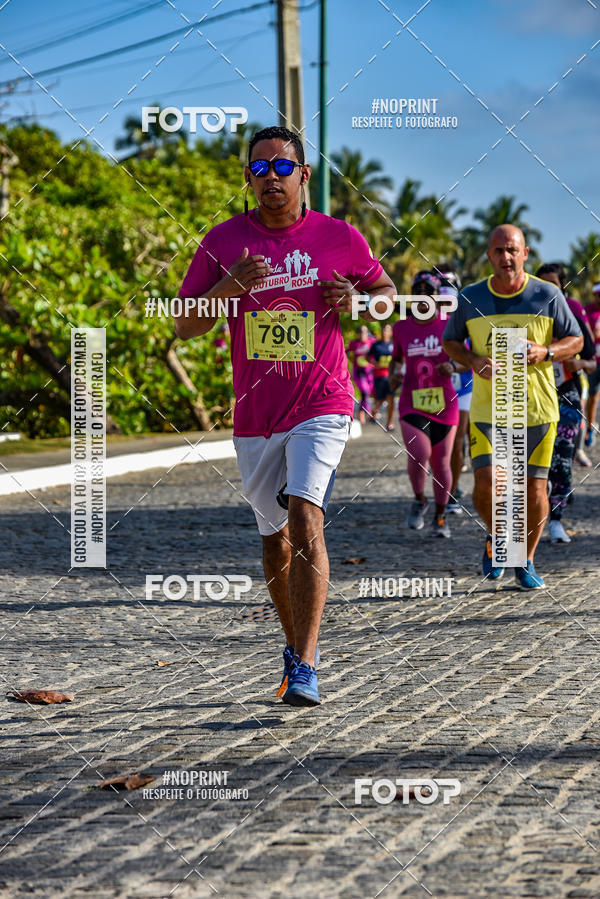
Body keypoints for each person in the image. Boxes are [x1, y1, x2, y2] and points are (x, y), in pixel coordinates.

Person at [175, 125, 396, 706]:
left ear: (303, 175)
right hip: (256, 414)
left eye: (282, 168)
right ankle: (293, 646)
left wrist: (361, 302)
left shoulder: (338, 237)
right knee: (273, 539)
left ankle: (307, 663)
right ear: (248, 179)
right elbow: (185, 323)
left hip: (323, 401)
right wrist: (225, 288)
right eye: (259, 169)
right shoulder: (223, 242)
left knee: (305, 517)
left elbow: (387, 295)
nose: (270, 178)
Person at [442, 225, 583, 589]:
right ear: (488, 256)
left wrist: (547, 352)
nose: (506, 257)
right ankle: (498, 538)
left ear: (525, 253)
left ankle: (527, 558)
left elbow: (577, 339)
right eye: (499, 251)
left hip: (536, 409)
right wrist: (473, 359)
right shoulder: (470, 297)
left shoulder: (547, 294)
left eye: (512, 250)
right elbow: (450, 342)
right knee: (487, 482)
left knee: (535, 490)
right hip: (489, 410)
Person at [388, 270, 460, 538]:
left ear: (436, 296)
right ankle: (420, 500)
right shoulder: (401, 327)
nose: (421, 297)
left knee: (442, 463)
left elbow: (466, 360)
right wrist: (395, 373)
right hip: (412, 402)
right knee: (419, 454)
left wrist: (452, 365)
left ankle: (440, 516)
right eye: (416, 291)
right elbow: (396, 359)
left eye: (427, 292)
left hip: (445, 403)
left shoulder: (448, 326)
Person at [536, 263, 596, 543]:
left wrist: (577, 362)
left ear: (562, 287)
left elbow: (592, 360)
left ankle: (556, 520)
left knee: (562, 458)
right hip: (532, 395)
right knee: (535, 463)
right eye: (543, 285)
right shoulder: (526, 311)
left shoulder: (571, 310)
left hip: (566, 394)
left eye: (554, 286)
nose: (549, 291)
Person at [437, 268, 472, 514]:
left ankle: (451, 493)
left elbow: (472, 358)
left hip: (464, 387)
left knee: (458, 441)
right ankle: (446, 487)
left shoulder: (467, 319)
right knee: (442, 445)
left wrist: (453, 366)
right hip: (437, 388)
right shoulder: (427, 319)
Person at [369, 322, 395, 430]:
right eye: (383, 330)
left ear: (391, 332)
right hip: (379, 375)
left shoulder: (394, 344)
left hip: (391, 376)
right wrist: (374, 363)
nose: (385, 332)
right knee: (379, 399)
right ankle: (373, 412)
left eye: (387, 330)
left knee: (391, 399)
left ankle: (390, 423)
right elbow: (367, 357)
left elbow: (400, 357)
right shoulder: (376, 345)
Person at [347, 324, 375, 424]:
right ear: (358, 334)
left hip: (370, 371)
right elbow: (346, 352)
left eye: (365, 332)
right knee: (364, 392)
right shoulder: (354, 344)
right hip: (359, 372)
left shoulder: (372, 342)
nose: (363, 334)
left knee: (369, 393)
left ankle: (369, 413)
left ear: (367, 333)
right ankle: (362, 414)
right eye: (361, 332)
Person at [584, 282, 600, 446]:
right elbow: (584, 335)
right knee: (593, 395)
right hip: (594, 361)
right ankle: (589, 428)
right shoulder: (588, 310)